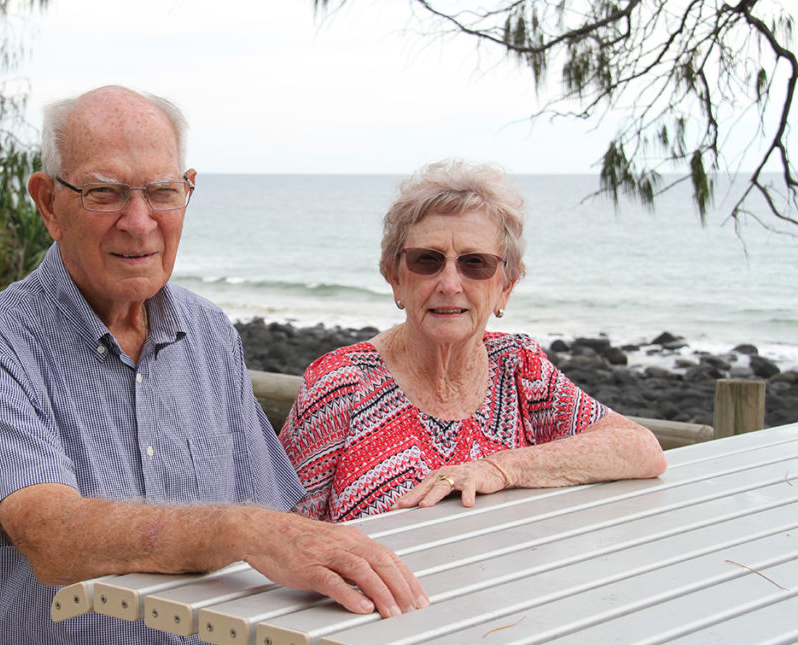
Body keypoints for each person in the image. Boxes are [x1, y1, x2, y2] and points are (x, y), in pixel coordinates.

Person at [0, 85, 427, 645]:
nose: (139, 223)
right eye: (104, 192)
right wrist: (239, 531)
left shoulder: (209, 333)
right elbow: (51, 537)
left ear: (186, 190)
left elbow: (272, 514)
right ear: (48, 203)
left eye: (162, 192)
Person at [281, 160, 667, 526]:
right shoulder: (341, 384)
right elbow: (282, 532)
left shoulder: (518, 368)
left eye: (475, 264)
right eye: (427, 261)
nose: (450, 284)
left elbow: (640, 448)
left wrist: (501, 468)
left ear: (505, 288)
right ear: (395, 278)